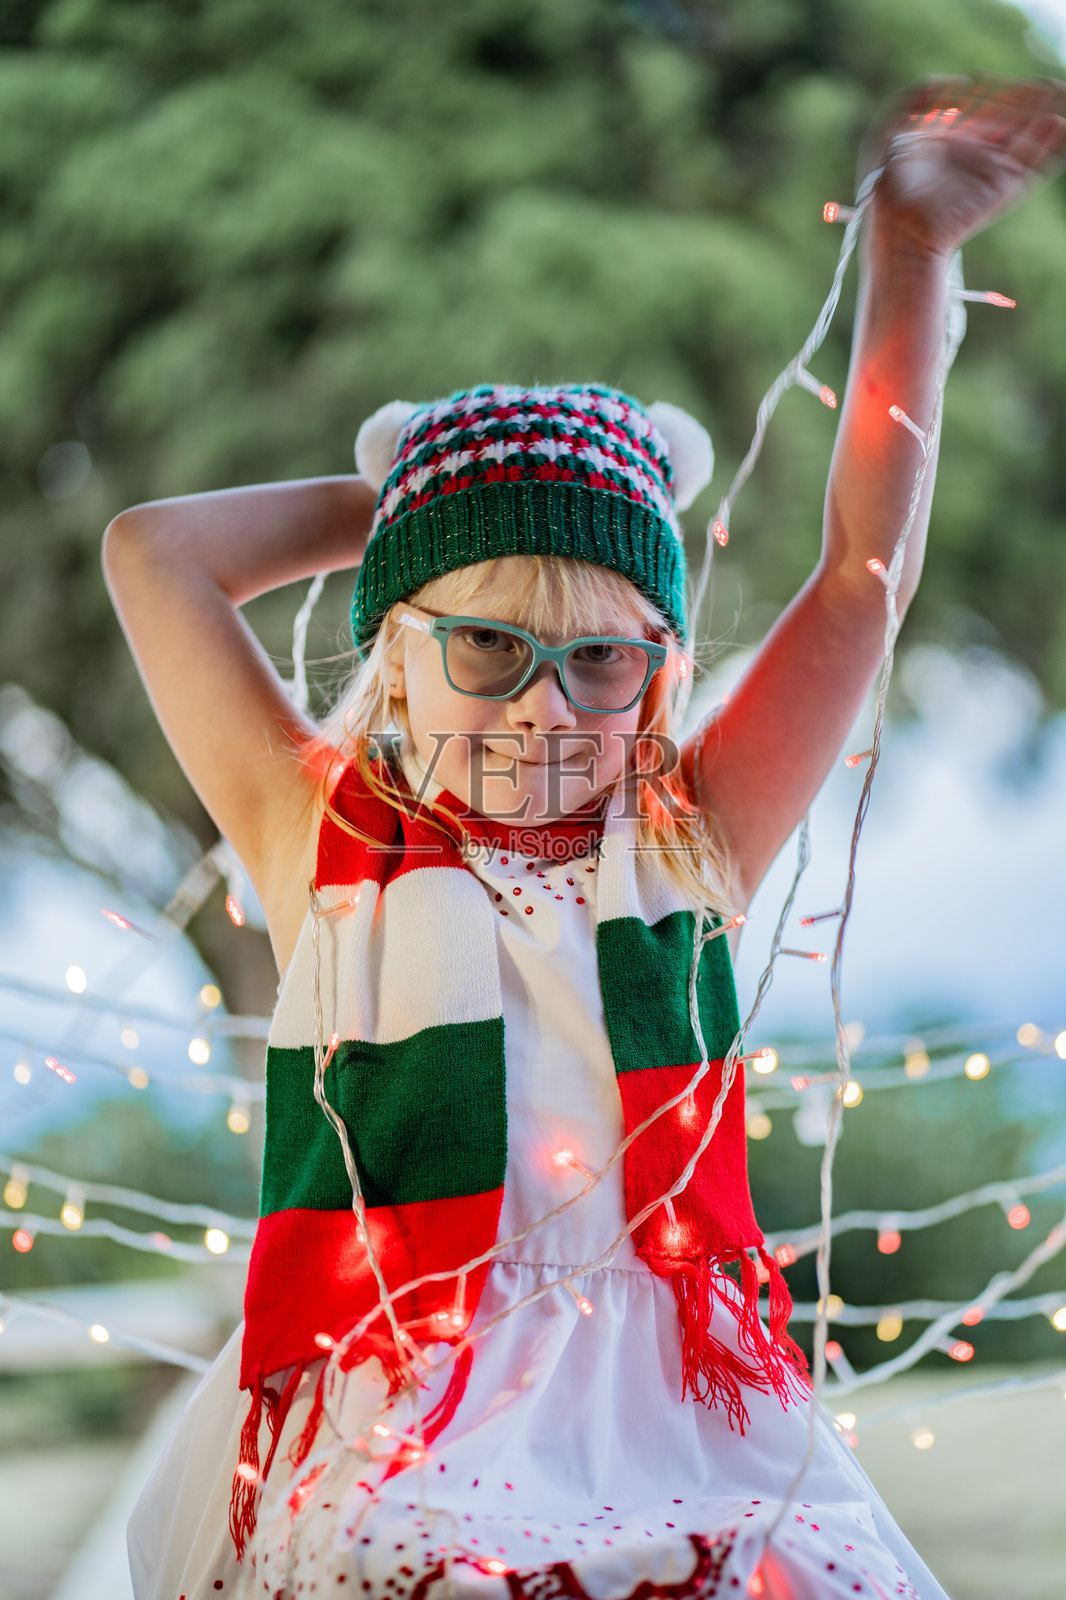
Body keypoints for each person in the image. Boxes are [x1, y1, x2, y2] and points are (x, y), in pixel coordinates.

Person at [105, 75, 1065, 1600]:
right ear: (398, 650)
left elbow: (862, 579)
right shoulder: (318, 832)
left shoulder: (689, 840)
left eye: (603, 661)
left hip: (674, 1397)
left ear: (656, 674)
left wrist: (910, 253)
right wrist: (451, 501)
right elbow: (157, 552)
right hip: (397, 1390)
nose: (546, 709)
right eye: (488, 647)